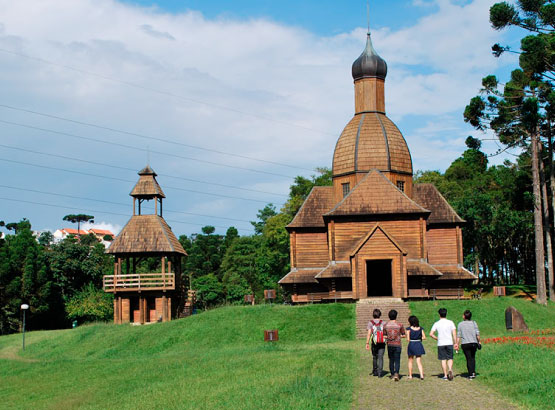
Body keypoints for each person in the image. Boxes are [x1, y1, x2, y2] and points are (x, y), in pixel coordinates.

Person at [430, 307, 457, 381]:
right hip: (449, 342)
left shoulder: (437, 323)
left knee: (443, 359)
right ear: (446, 314)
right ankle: (450, 369)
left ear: (439, 314)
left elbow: (431, 334)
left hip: (441, 343)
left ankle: (445, 375)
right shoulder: (450, 322)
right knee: (450, 358)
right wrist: (455, 342)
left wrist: (437, 338)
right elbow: (454, 333)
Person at [457, 309, 481, 379]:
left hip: (465, 343)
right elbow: (477, 333)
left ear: (464, 316)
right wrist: (479, 341)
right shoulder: (474, 323)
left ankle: (470, 373)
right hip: (474, 343)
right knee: (473, 358)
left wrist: (457, 344)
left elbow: (459, 335)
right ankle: (473, 372)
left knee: (468, 358)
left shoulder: (460, 324)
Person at [384, 309, 406, 381]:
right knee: (397, 359)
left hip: (390, 344)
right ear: (396, 316)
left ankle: (392, 374)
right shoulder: (400, 325)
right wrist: (398, 336)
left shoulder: (386, 325)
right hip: (398, 344)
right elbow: (403, 335)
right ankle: (396, 373)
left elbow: (384, 336)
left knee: (391, 360)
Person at [365, 309, 386, 377]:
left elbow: (369, 333)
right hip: (382, 342)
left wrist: (367, 343)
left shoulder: (370, 323)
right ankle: (380, 373)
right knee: (381, 357)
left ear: (373, 315)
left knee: (374, 357)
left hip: (374, 342)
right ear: (380, 315)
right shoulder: (383, 323)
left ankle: (375, 371)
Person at [406, 315, 426, 380]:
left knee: (410, 360)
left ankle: (410, 375)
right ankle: (421, 375)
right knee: (419, 361)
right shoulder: (420, 328)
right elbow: (424, 337)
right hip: (418, 344)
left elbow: (408, 339)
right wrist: (419, 338)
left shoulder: (408, 329)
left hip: (412, 344)